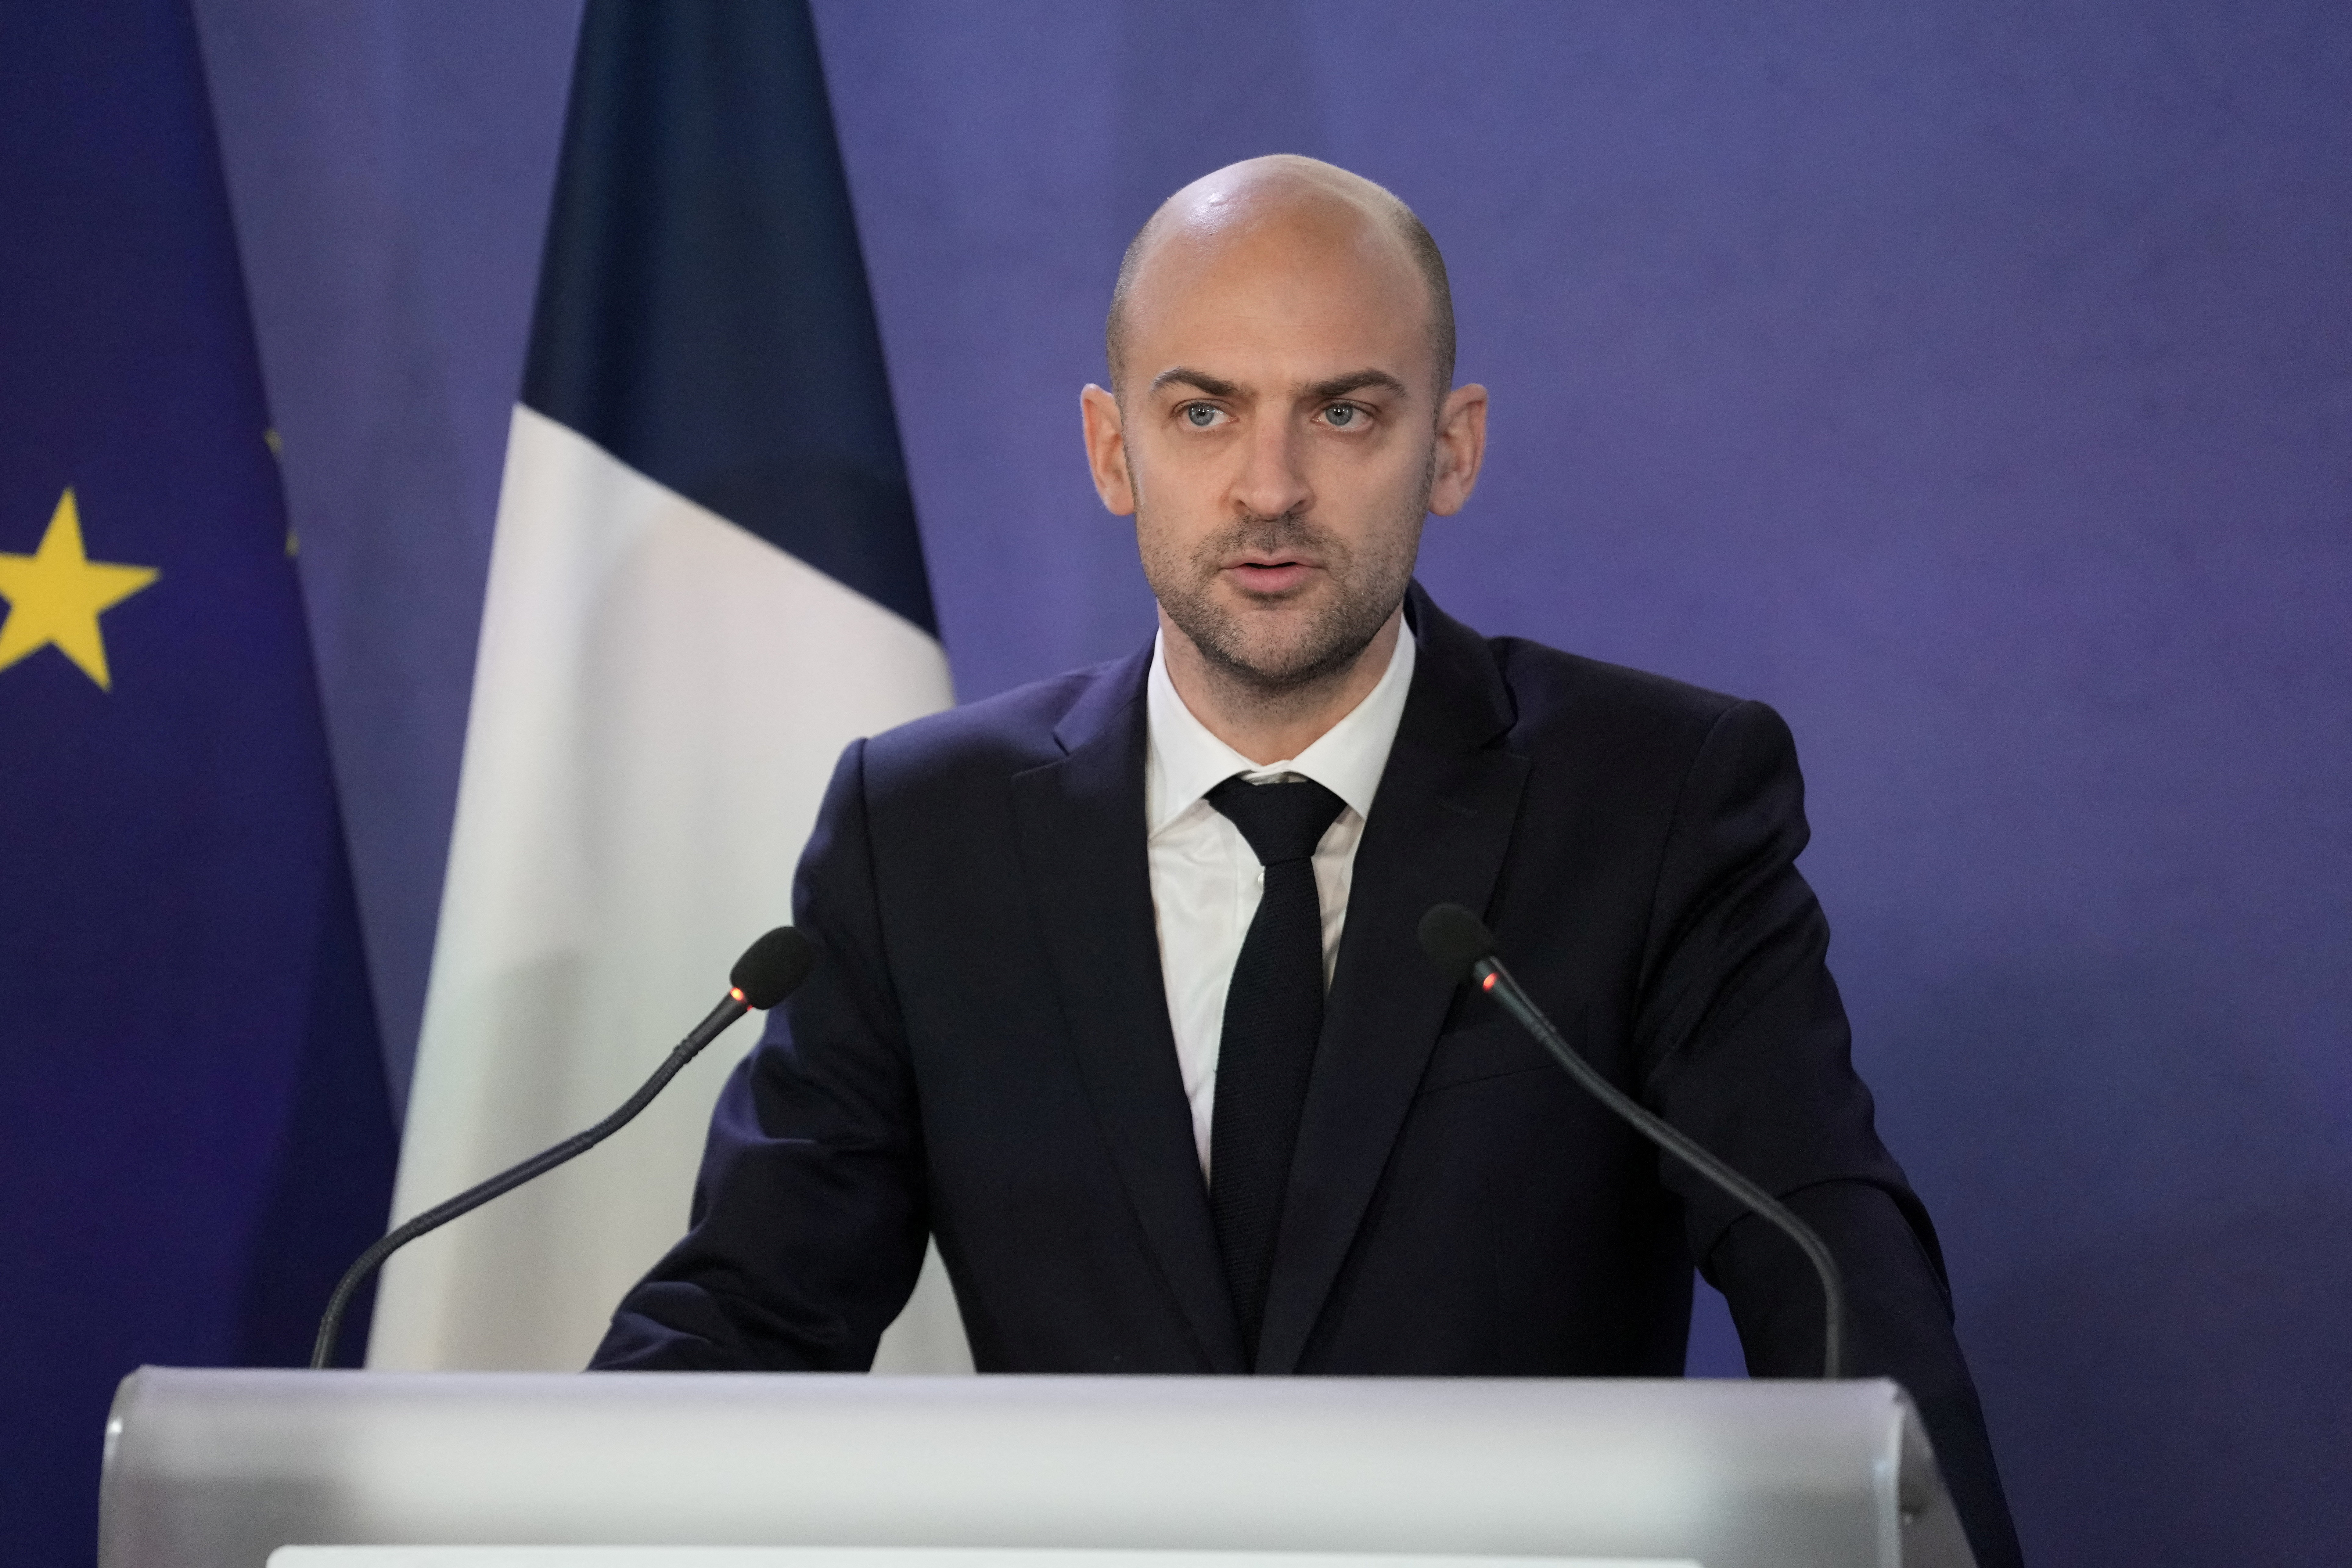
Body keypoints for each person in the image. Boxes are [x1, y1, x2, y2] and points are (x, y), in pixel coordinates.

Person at [593, 155, 2022, 1568]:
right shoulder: (927, 834)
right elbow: (752, 1310)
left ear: (1450, 448)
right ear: (1111, 449)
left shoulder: (1650, 801)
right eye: (1202, 411)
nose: (1267, 487)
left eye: (1343, 412)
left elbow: (1826, 1264)